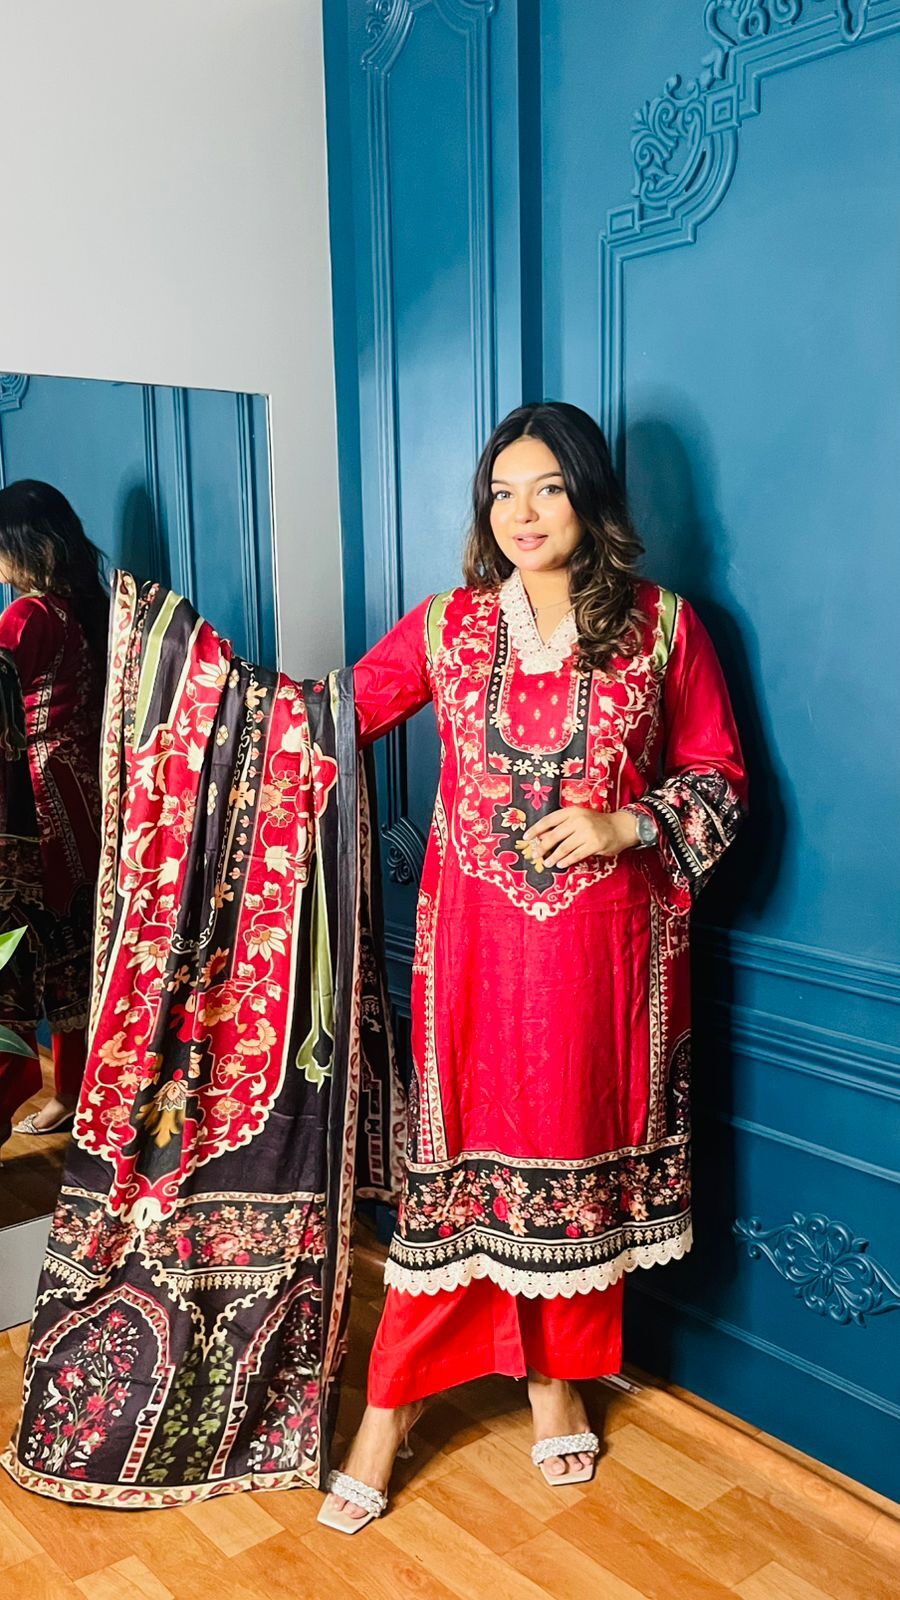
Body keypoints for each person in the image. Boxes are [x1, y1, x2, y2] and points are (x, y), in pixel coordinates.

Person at [317, 401, 748, 1533]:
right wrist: (196, 700)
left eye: (548, 487)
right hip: (474, 961)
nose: (522, 513)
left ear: (589, 496)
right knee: (455, 1184)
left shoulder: (663, 627)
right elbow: (329, 721)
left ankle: (556, 1378)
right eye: (501, 492)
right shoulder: (450, 627)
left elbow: (720, 778)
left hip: (606, 959)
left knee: (573, 1180)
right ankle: (389, 1410)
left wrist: (624, 825)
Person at [0, 480, 107, 1149]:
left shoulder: (27, 616)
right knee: (74, 948)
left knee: (18, 951)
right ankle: (72, 1093)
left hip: (33, 799)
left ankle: (40, 1090)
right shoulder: (87, 610)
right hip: (87, 797)